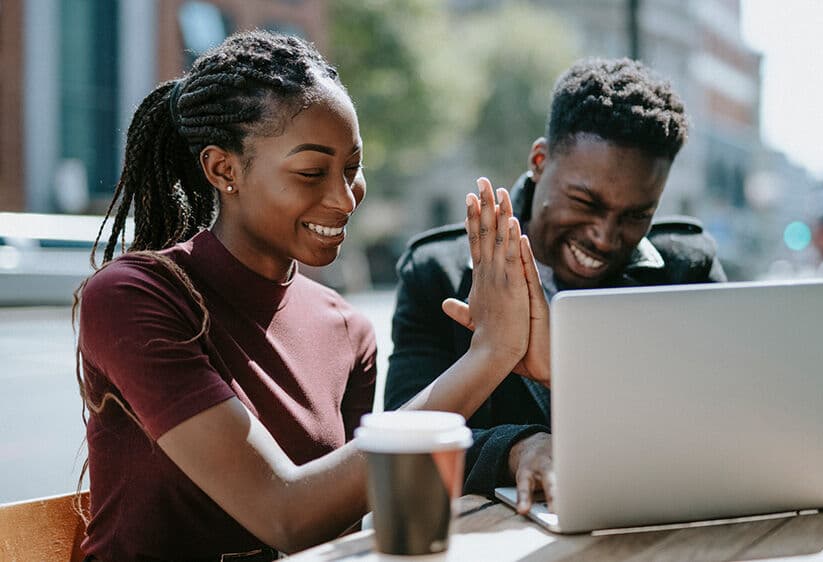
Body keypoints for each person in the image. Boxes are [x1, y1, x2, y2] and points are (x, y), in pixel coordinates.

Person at [75, 31, 541, 561]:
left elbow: (339, 527)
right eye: (312, 172)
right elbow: (286, 515)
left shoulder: (348, 329)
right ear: (222, 169)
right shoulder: (134, 297)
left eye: (352, 168)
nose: (344, 199)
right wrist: (489, 355)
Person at [384, 58, 727, 514]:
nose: (605, 237)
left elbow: (721, 421)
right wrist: (515, 448)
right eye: (585, 202)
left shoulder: (688, 269)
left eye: (635, 216)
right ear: (540, 161)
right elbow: (402, 438)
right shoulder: (437, 275)